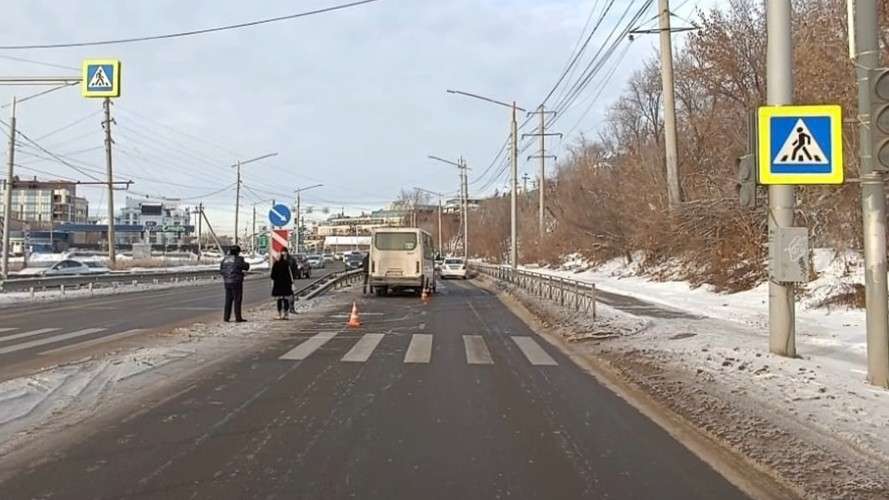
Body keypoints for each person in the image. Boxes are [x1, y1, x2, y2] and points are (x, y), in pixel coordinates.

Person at [220, 245, 250, 322]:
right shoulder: (239, 259)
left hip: (227, 282)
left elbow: (221, 270)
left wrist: (226, 276)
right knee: (237, 299)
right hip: (236, 282)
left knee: (228, 300)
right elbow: (246, 267)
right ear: (237, 252)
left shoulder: (225, 259)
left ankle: (226, 317)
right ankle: (238, 317)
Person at [271, 248, 295, 320]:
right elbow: (290, 274)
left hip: (278, 285)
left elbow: (272, 276)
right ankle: (286, 314)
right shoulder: (286, 264)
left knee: (279, 300)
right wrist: (291, 283)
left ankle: (279, 314)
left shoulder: (276, 264)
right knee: (285, 299)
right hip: (286, 285)